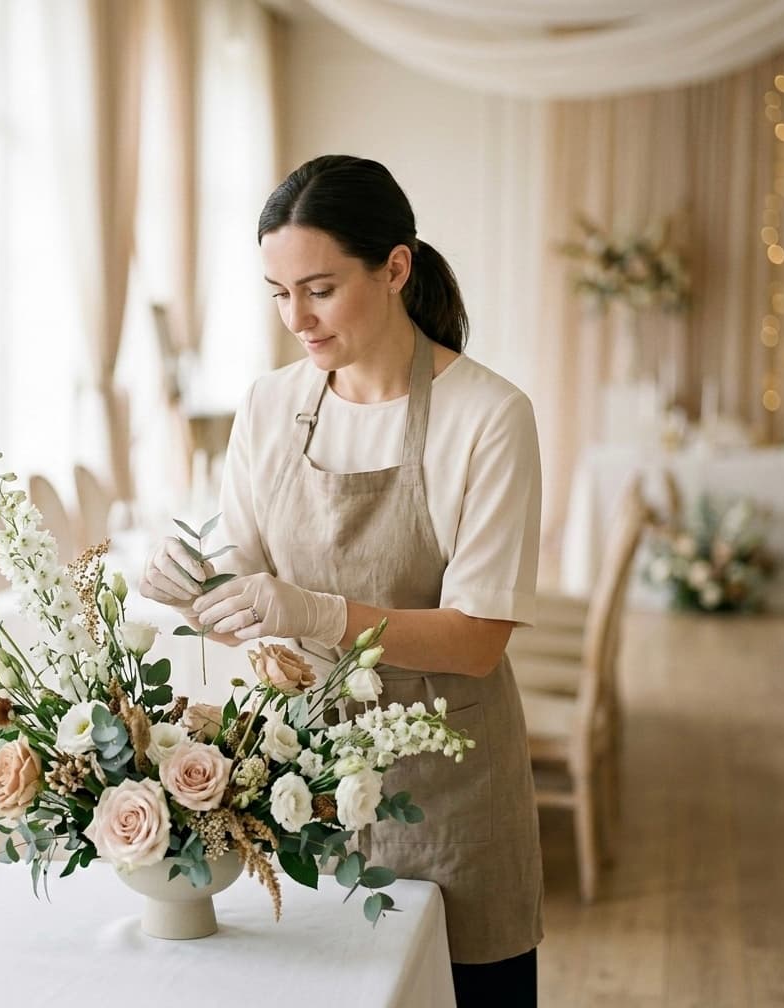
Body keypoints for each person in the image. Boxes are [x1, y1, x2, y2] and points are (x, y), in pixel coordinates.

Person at [141, 154, 543, 1006]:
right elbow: (247, 596)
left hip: (449, 790)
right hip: (300, 782)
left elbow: (476, 642)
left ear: (395, 266)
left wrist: (320, 612)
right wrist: (192, 588)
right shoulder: (267, 405)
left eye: (319, 289)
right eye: (278, 292)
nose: (297, 317)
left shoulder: (488, 417)